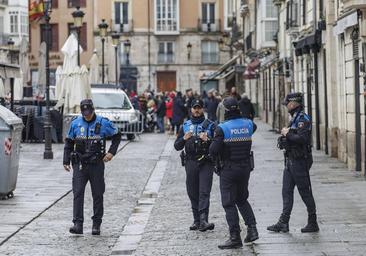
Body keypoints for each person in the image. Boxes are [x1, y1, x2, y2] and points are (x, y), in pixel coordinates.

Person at [63, 99, 121, 235]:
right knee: (77, 193)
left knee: (98, 194)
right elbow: (69, 143)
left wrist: (111, 152)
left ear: (93, 110)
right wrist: (66, 160)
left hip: (96, 164)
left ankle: (96, 224)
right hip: (80, 164)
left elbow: (117, 136)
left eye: (88, 112)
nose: (87, 115)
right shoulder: (76, 123)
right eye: (84, 113)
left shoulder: (103, 122)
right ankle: (78, 224)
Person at [209, 97, 258, 249]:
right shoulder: (248, 124)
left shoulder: (222, 128)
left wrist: (213, 138)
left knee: (229, 202)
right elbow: (254, 127)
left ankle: (235, 236)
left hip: (229, 169)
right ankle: (252, 229)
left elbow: (213, 150)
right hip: (245, 168)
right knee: (242, 199)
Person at [267, 92, 319, 233]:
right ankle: (283, 222)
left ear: (294, 104)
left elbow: (302, 139)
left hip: (300, 161)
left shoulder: (303, 119)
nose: (286, 107)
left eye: (288, 104)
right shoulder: (294, 118)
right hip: (290, 160)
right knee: (286, 191)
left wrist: (287, 134)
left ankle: (313, 222)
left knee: (304, 192)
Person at [174, 99, 216, 232]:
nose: (197, 110)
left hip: (206, 162)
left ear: (203, 109)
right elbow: (177, 146)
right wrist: (184, 139)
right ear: (191, 109)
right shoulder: (185, 126)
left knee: (204, 191)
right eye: (194, 108)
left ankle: (204, 219)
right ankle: (196, 220)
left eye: (199, 107)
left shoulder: (211, 125)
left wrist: (208, 140)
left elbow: (218, 145)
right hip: (190, 162)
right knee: (192, 191)